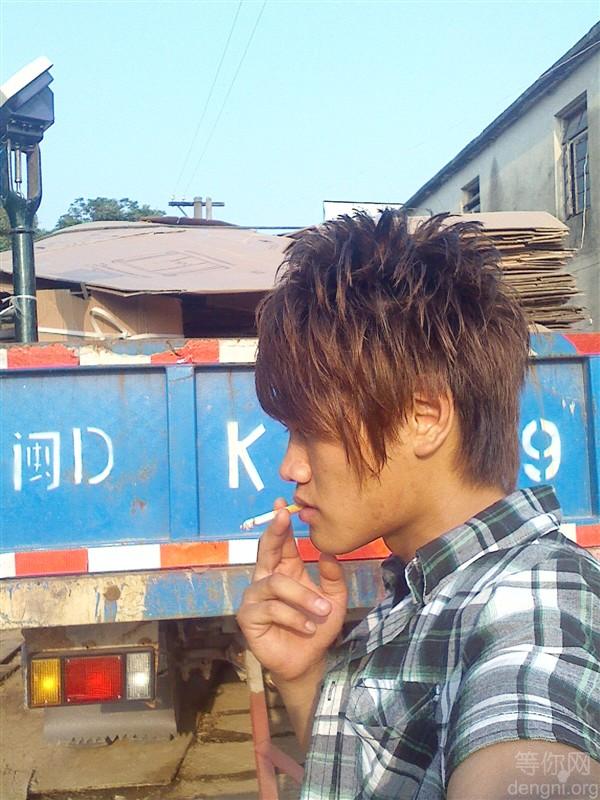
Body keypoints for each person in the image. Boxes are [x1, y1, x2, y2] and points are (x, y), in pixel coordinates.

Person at [236, 210, 600, 799]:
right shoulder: (425, 589)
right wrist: (302, 678)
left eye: (310, 432)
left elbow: (529, 749)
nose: (290, 468)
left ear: (422, 418)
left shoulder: (534, 604)